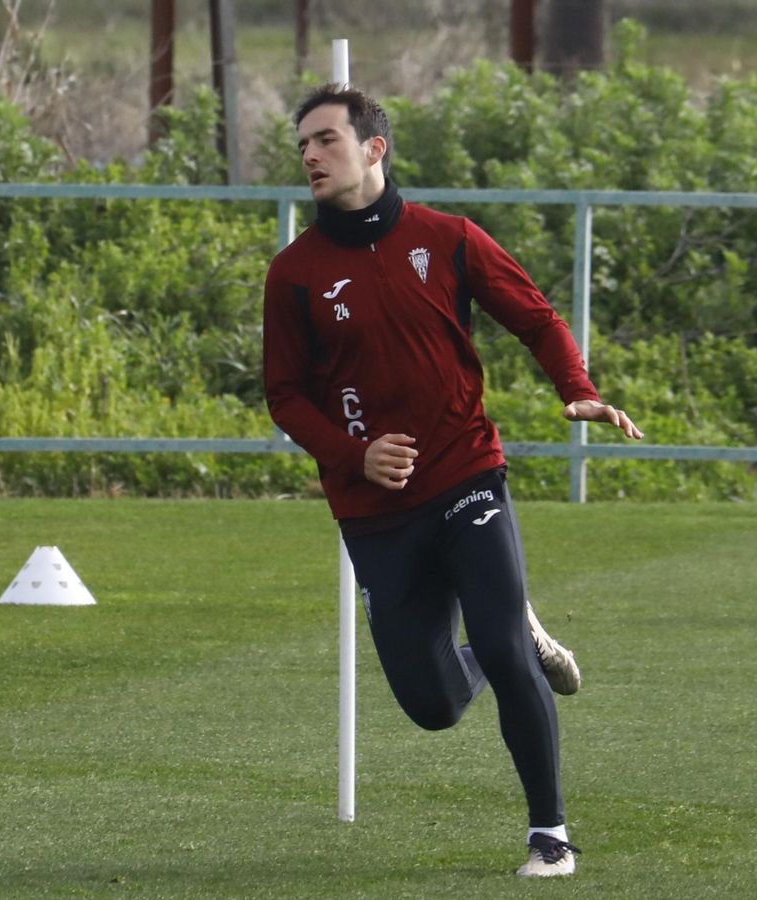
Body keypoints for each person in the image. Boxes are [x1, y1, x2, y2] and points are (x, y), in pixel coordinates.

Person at [261, 83, 643, 878]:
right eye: (302, 144)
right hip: (375, 512)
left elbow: (536, 317)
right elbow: (285, 394)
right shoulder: (294, 273)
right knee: (432, 706)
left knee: (500, 645)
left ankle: (551, 834)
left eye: (325, 140)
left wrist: (573, 384)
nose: (309, 156)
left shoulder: (450, 238)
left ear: (374, 148)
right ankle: (519, 647)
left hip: (468, 472)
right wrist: (352, 454)